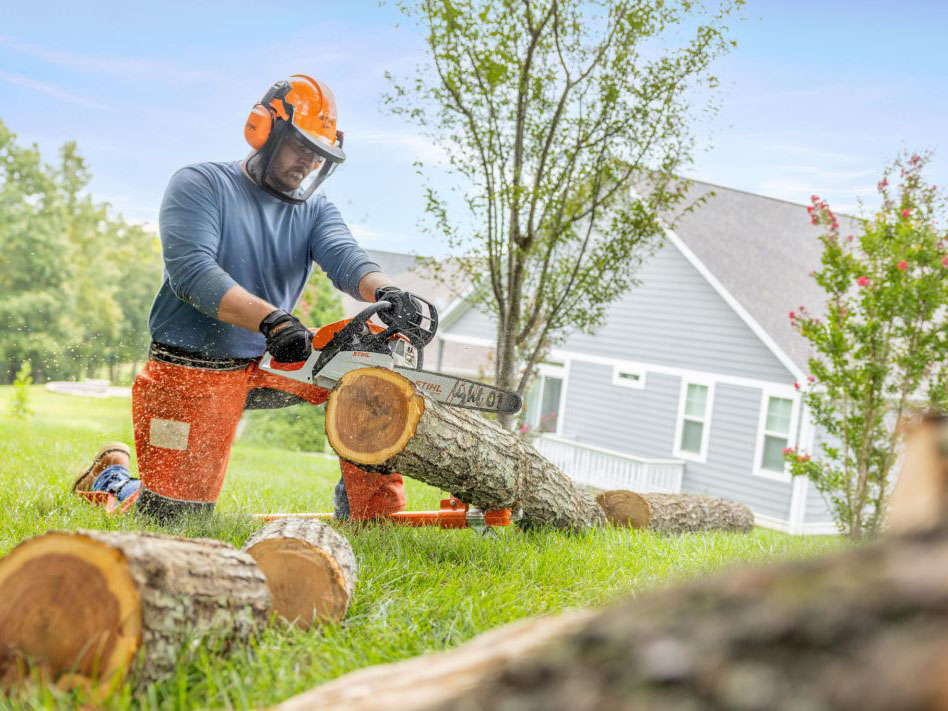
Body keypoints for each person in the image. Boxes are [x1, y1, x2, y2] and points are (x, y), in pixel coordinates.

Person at [71, 74, 421, 522]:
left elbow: (346, 257)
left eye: (319, 154)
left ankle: (371, 515)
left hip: (275, 357)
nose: (308, 163)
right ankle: (112, 481)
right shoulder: (200, 184)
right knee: (175, 519)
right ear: (265, 129)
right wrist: (272, 320)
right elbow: (192, 274)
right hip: (193, 367)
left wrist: (387, 291)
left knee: (368, 370)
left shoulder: (315, 210)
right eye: (301, 147)